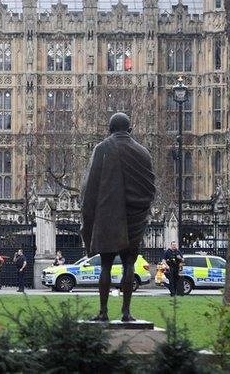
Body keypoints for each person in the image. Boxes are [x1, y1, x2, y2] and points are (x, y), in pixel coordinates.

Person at [82, 113, 157, 323]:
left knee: (106, 265)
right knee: (129, 264)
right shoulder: (143, 152)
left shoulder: (103, 148)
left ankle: (103, 312)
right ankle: (126, 313)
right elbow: (150, 188)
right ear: (130, 130)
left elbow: (91, 187)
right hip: (135, 217)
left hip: (109, 216)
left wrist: (87, 217)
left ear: (109, 129)